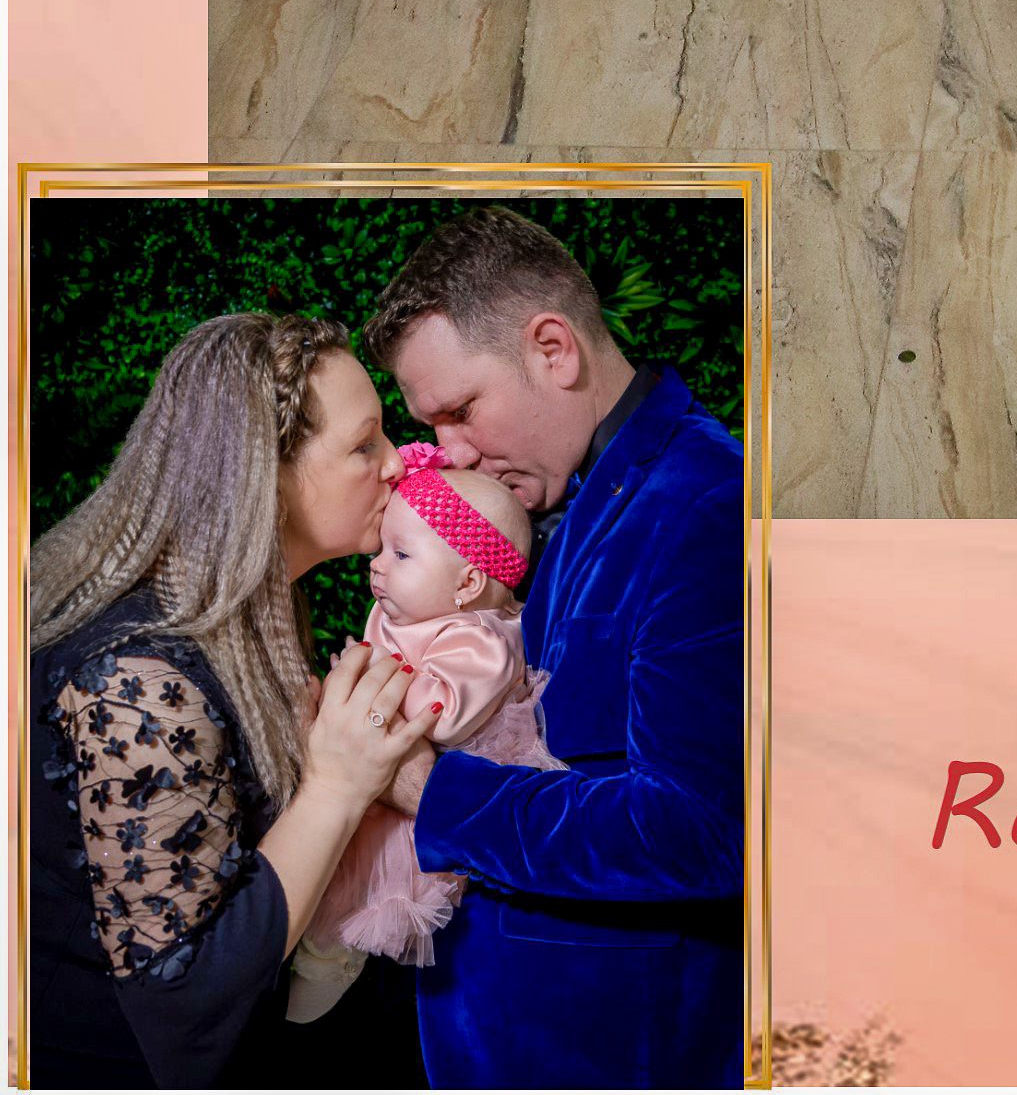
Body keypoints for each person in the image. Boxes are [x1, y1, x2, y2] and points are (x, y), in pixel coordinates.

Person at [360, 208, 744, 1090]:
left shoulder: (706, 505)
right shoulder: (574, 497)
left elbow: (702, 833)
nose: (449, 453)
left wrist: (427, 787)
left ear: (553, 349)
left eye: (460, 411)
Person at [27, 311, 425, 1087]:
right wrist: (337, 788)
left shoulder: (246, 620)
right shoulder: (137, 684)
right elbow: (183, 1006)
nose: (397, 464)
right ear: (265, 477)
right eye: (364, 445)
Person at [301, 449, 555, 983]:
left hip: (425, 806)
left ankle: (332, 961)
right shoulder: (406, 610)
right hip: (376, 775)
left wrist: (365, 685)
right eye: (383, 549)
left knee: (371, 886)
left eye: (401, 554)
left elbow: (442, 717)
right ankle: (316, 950)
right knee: (332, 862)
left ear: (466, 585)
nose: (377, 563)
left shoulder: (479, 641)